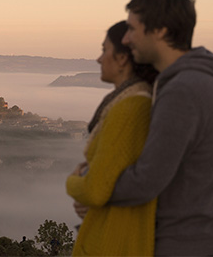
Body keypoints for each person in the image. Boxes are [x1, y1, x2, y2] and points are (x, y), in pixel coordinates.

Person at [108, 0, 213, 256]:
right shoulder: (204, 78)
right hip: (212, 240)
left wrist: (89, 187)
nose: (126, 39)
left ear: (160, 31)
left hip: (188, 246)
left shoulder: (183, 89)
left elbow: (146, 181)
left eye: (133, 29)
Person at [66, 20, 159, 256]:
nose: (99, 59)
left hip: (111, 242)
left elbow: (95, 190)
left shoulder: (130, 107)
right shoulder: (133, 101)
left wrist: (74, 180)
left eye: (104, 50)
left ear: (122, 59)